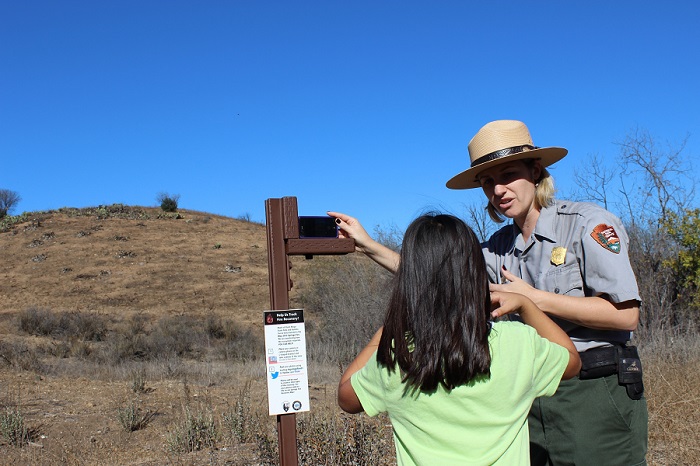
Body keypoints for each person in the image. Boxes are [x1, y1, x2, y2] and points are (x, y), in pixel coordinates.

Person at [329, 120, 648, 466]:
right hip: (526, 391)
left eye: (508, 175)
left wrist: (533, 301)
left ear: (535, 170)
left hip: (592, 386)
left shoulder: (586, 224)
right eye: (487, 182)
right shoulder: (497, 247)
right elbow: (438, 273)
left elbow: (626, 313)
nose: (498, 190)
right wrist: (369, 246)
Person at [338, 213, 581, 466]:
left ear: (408, 282)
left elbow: (346, 397)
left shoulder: (397, 357)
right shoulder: (519, 343)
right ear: (476, 274)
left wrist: (388, 332)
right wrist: (527, 306)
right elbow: (572, 362)